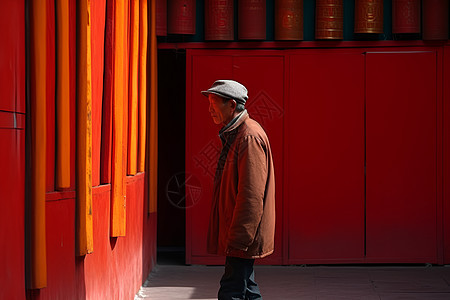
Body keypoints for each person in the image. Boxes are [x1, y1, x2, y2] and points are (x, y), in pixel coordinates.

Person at [201, 80, 276, 300]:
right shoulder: (237, 134)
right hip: (241, 235)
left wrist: (239, 240)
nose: (209, 110)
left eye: (214, 104)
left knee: (231, 290)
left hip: (243, 236)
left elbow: (251, 196)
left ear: (232, 105)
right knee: (246, 288)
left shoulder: (248, 137)